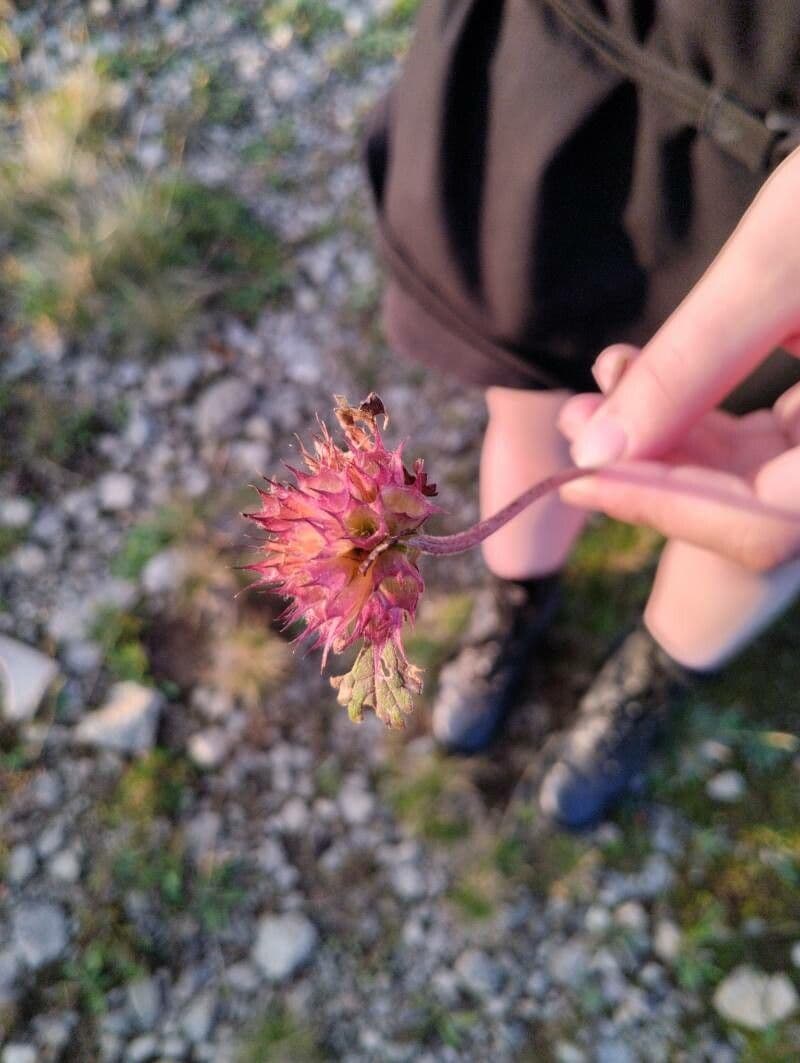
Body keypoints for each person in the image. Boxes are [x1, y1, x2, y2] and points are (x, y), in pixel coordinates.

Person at [362, 0, 800, 828]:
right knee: (529, 382)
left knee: (746, 497)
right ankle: (519, 605)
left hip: (779, 133)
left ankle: (652, 674)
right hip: (563, 57)